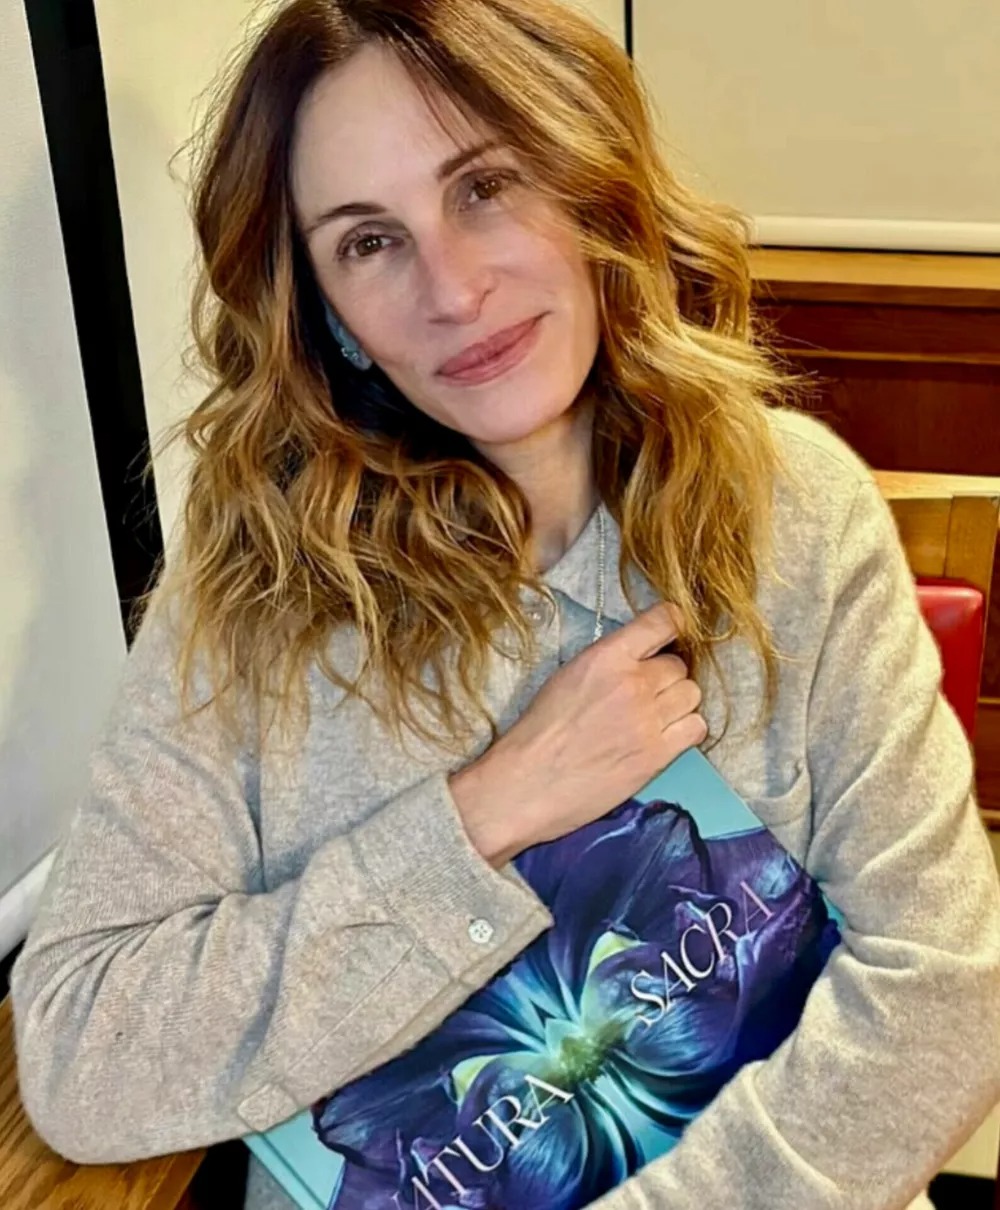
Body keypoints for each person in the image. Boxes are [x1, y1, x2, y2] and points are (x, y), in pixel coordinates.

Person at [11, 1, 1000, 1208]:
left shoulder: (789, 513)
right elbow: (84, 1050)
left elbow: (945, 989)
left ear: (588, 189)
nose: (455, 288)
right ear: (326, 314)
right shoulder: (250, 598)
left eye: (484, 187)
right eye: (369, 241)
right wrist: (481, 816)